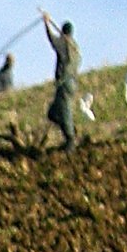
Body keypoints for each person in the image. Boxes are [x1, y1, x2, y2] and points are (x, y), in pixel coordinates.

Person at [41, 11, 80, 151]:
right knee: (53, 113)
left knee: (64, 110)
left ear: (63, 32)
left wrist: (46, 23)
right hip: (72, 83)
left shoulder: (65, 44)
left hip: (64, 84)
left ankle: (70, 140)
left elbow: (52, 40)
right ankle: (67, 130)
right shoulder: (75, 48)